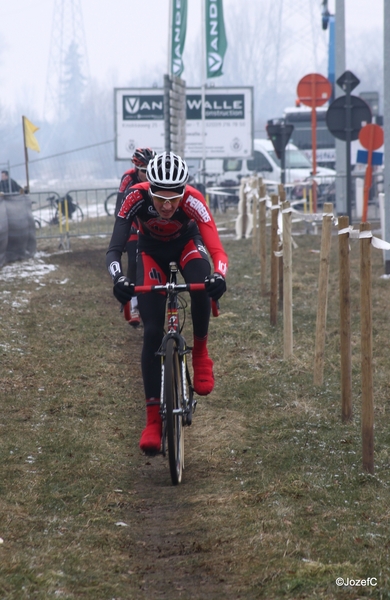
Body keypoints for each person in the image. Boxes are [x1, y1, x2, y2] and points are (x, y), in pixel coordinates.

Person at [106, 151, 228, 454]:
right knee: (151, 332)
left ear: (183, 191)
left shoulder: (193, 200)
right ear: (150, 187)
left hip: (187, 243)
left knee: (201, 283)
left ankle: (200, 353)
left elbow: (218, 252)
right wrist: (119, 279)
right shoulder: (135, 197)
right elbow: (114, 249)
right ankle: (152, 422)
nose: (167, 205)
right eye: (161, 198)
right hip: (150, 251)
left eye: (174, 197)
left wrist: (219, 276)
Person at [115, 148, 156, 327]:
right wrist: (121, 235)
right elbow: (119, 207)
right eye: (144, 172)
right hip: (132, 223)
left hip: (149, 225)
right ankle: (132, 304)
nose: (148, 176)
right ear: (136, 169)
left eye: (150, 171)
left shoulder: (157, 177)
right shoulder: (128, 178)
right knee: (133, 262)